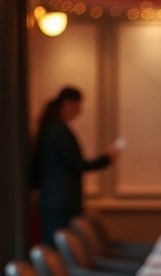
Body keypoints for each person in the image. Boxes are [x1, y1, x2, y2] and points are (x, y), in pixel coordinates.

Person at [30, 86, 119, 245]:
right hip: (60, 202)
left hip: (56, 200)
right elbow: (77, 164)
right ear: (67, 104)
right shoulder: (57, 129)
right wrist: (106, 159)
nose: (80, 110)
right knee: (60, 251)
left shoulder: (52, 127)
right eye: (78, 105)